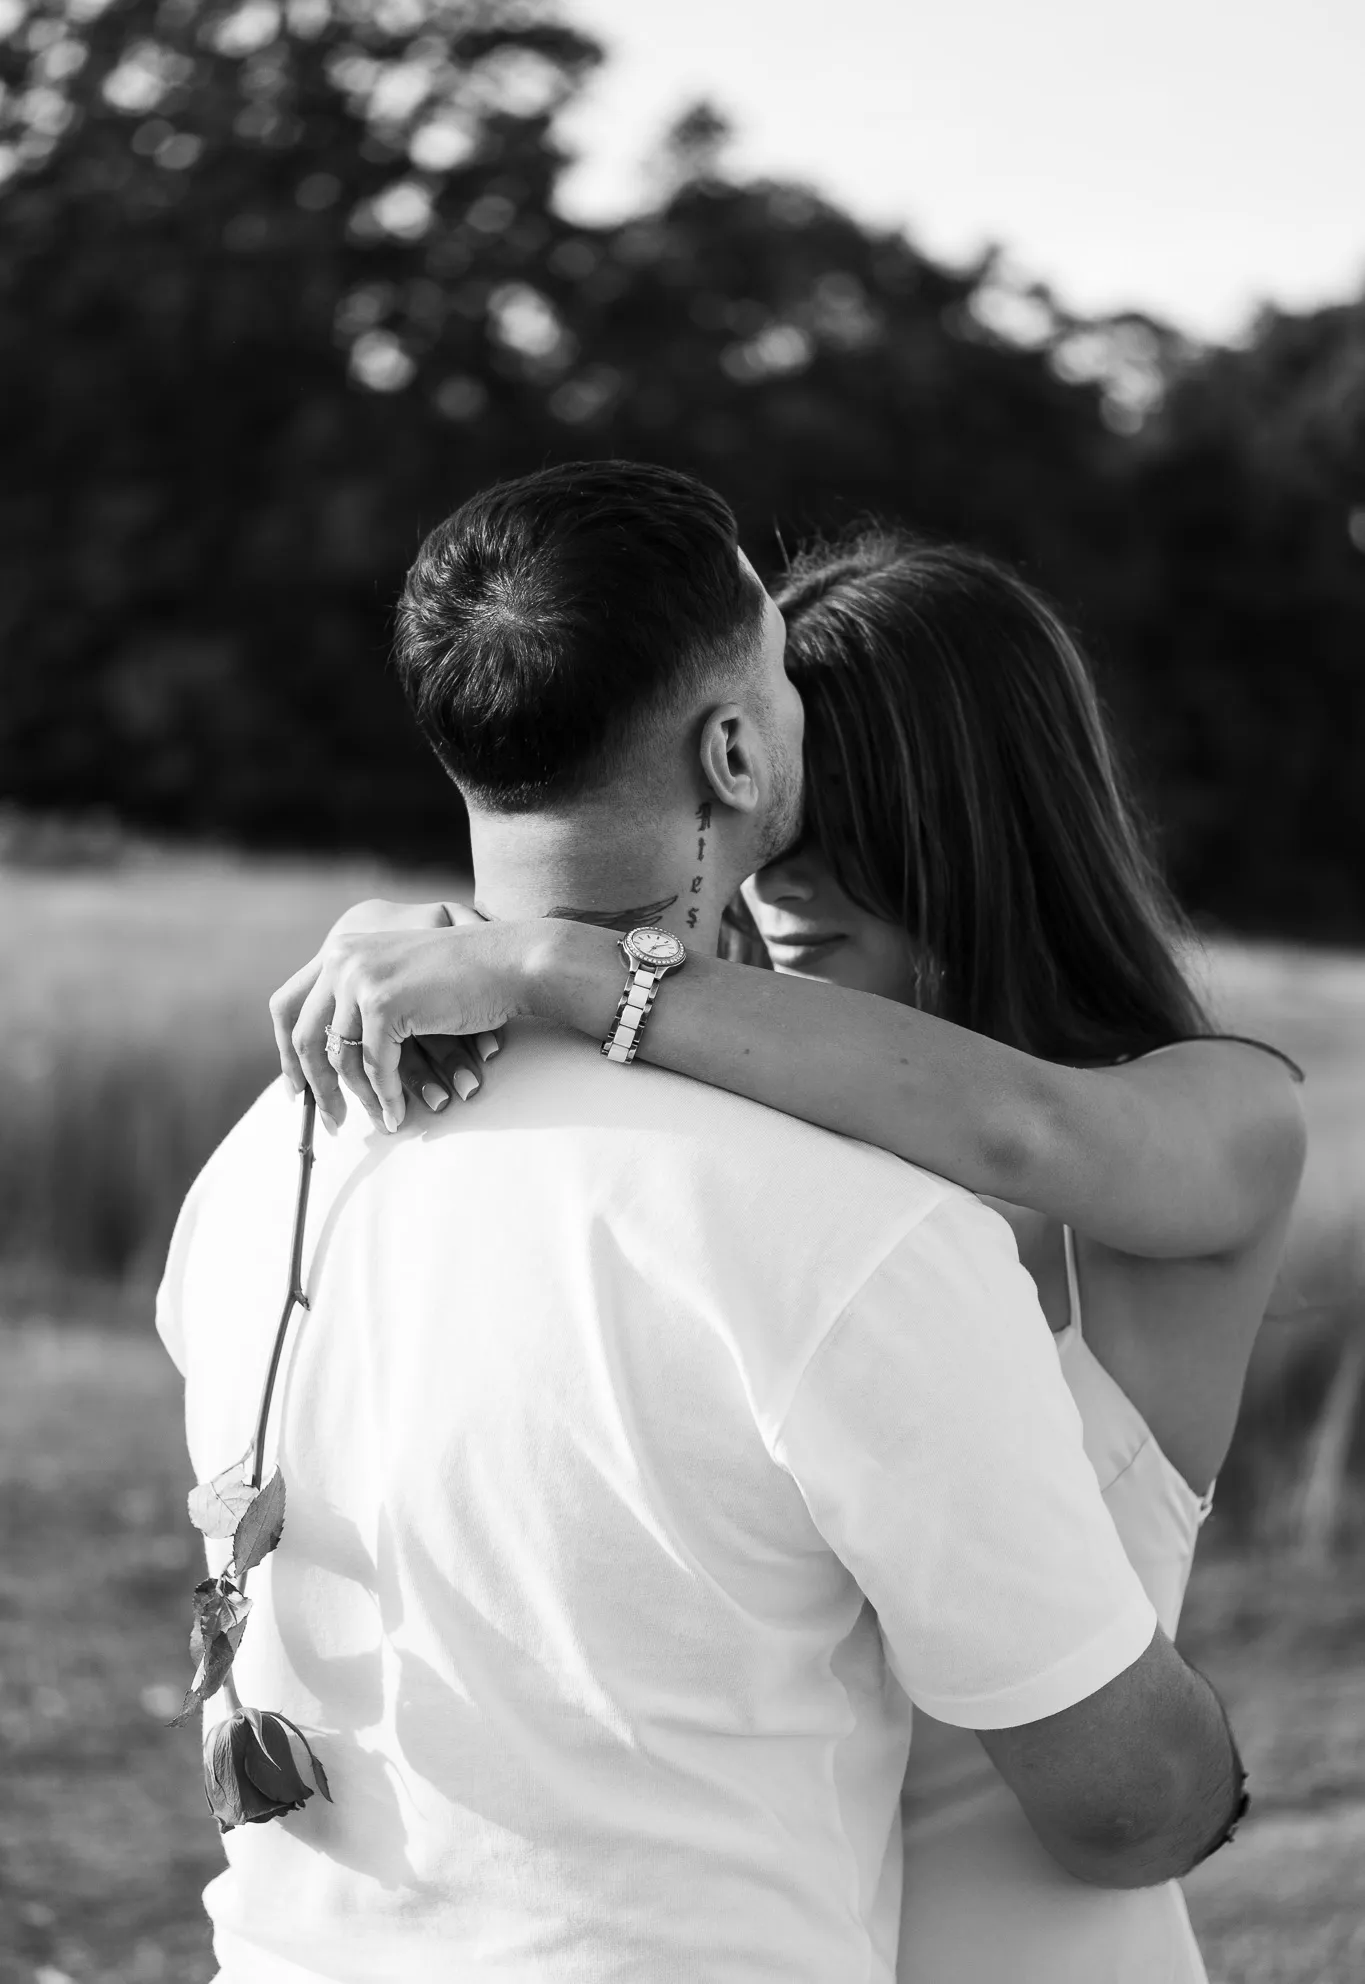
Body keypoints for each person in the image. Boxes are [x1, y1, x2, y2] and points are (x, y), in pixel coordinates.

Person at [271, 519, 1302, 1983]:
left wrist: (553, 958)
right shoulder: (713, 1118)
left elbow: (1023, 1137)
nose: (781, 880)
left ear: (983, 815)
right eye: (773, 820)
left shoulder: (1223, 1111)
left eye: (851, 822)